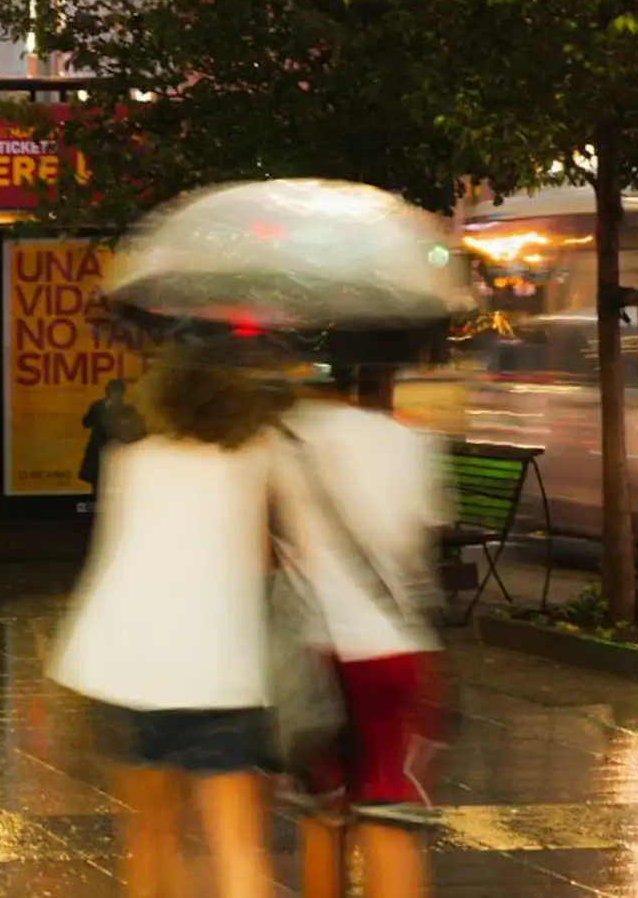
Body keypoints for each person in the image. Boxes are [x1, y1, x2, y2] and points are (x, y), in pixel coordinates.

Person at [51, 341, 294, 898]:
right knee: (236, 842)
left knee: (151, 834)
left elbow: (114, 558)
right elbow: (262, 563)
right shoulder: (256, 458)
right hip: (224, 674)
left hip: (134, 670)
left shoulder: (132, 461)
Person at [272, 366, 447, 898]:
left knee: (324, 811)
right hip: (393, 648)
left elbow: (281, 544)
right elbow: (419, 541)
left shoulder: (290, 437)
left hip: (318, 648)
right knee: (389, 812)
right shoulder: (410, 440)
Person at [79, 378, 146, 492]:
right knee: (97, 485)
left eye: (119, 391)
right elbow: (86, 423)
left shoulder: (127, 409)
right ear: (108, 392)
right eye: (114, 391)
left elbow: (134, 430)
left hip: (116, 452)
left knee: (114, 485)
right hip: (97, 450)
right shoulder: (98, 406)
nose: (116, 394)